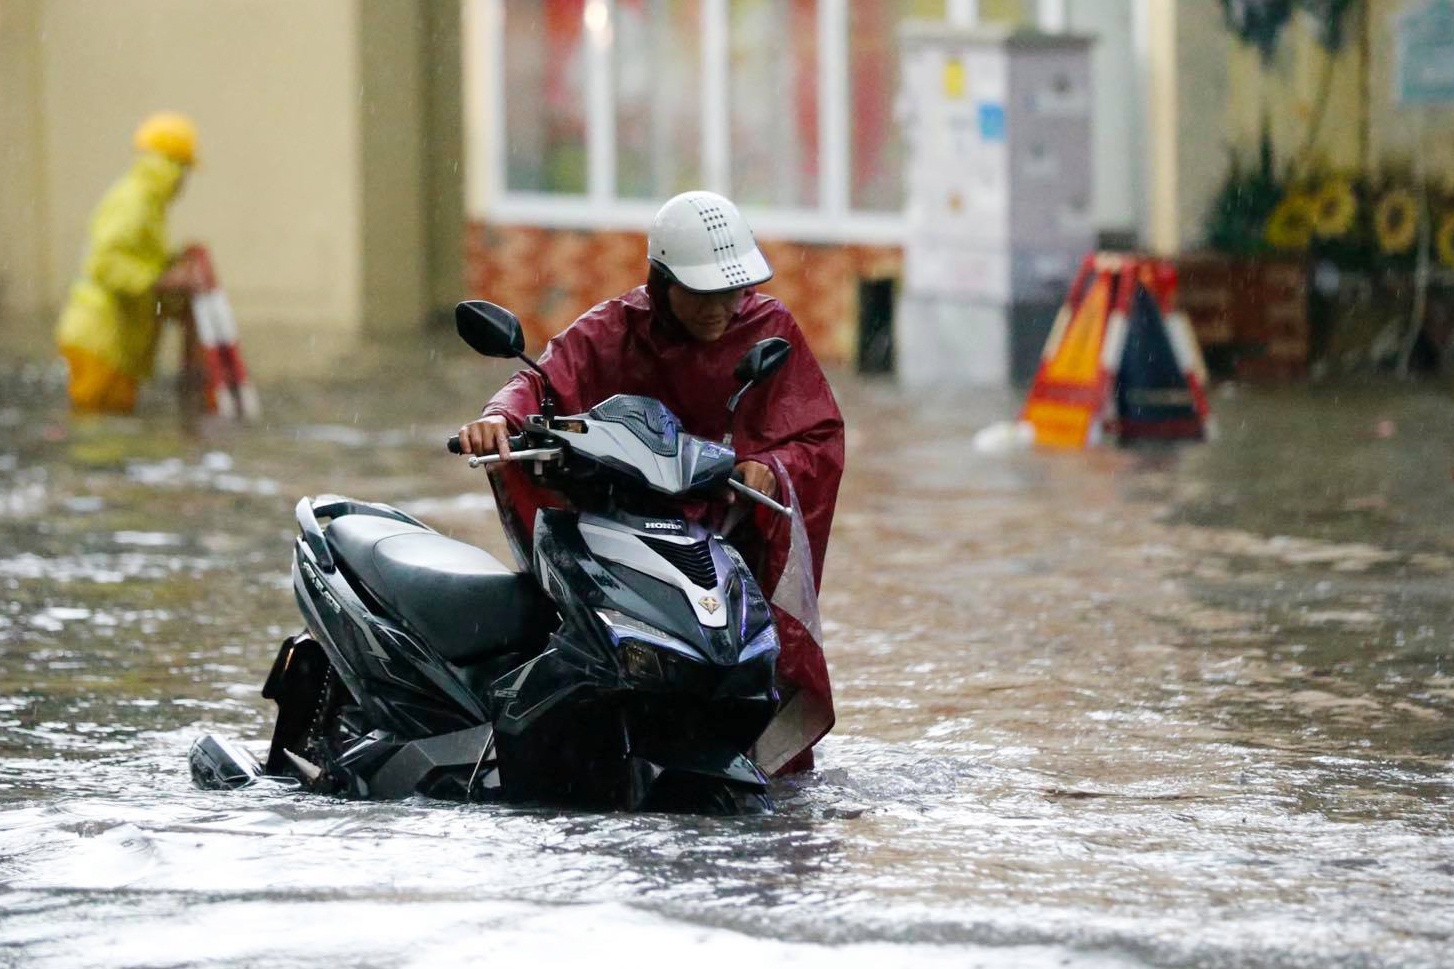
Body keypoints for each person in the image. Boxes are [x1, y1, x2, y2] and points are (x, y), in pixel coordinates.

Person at [457, 190, 844, 775]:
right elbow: (544, 378)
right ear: (663, 284)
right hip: (617, 525)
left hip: (725, 533)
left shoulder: (768, 328)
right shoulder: (614, 328)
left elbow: (816, 434)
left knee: (756, 654)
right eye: (703, 295)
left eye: (732, 293)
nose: (722, 310)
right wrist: (497, 420)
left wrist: (773, 466)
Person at [55, 112, 201, 413]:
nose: (185, 181)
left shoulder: (146, 203)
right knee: (98, 437)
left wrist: (173, 265)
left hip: (112, 344)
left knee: (107, 430)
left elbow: (137, 261)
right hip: (101, 342)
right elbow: (104, 263)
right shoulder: (134, 201)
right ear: (172, 167)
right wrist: (163, 280)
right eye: (185, 170)